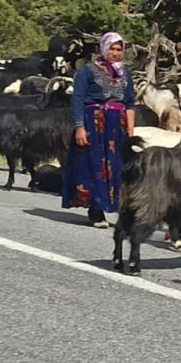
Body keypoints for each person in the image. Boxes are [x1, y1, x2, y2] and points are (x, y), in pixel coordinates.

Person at [62, 32, 136, 228]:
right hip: (93, 123)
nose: (115, 53)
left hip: (117, 126)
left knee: (116, 167)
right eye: (112, 48)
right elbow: (78, 99)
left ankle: (116, 207)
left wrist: (130, 131)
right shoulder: (87, 70)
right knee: (93, 165)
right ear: (103, 48)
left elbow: (130, 103)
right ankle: (96, 210)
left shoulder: (125, 73)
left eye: (119, 49)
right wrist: (80, 127)